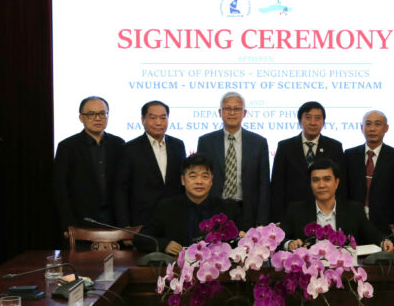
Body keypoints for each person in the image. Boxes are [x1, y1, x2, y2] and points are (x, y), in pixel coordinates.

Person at [133, 154, 240, 255]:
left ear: (211, 181)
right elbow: (140, 238)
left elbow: (240, 239)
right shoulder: (167, 207)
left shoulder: (227, 208)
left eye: (205, 176)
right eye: (193, 176)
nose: (199, 181)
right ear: (183, 180)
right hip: (178, 269)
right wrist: (164, 245)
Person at [282, 158, 394, 252]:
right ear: (311, 184)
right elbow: (280, 239)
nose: (321, 185)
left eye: (327, 179)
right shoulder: (296, 210)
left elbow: (372, 233)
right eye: (316, 180)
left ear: (336, 183)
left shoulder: (354, 210)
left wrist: (384, 241)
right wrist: (290, 243)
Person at [197, 92, 270, 230]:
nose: (232, 113)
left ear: (244, 113)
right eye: (227, 108)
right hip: (214, 209)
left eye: (237, 109)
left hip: (247, 210)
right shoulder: (206, 141)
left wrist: (262, 220)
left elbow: (263, 184)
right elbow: (201, 178)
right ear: (220, 112)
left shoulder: (259, 143)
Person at [53, 96, 125, 231]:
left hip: (114, 221)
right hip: (81, 220)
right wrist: (68, 225)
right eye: (91, 114)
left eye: (102, 113)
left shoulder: (119, 144)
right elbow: (60, 189)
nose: (98, 118)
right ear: (81, 118)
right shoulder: (67, 146)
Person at [114, 101, 186, 227]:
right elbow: (121, 190)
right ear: (143, 120)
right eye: (153, 118)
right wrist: (125, 226)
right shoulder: (130, 149)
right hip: (142, 221)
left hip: (175, 218)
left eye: (163, 118)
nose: (158, 122)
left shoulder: (178, 145)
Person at [271, 101, 344, 223]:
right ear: (300, 121)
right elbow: (277, 186)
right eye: (308, 117)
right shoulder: (285, 146)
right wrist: (278, 218)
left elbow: (340, 185)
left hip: (325, 214)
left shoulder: (334, 146)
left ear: (323, 122)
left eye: (318, 118)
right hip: (293, 213)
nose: (313, 122)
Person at [345, 110, 394, 234]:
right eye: (368, 124)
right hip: (354, 223)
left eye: (377, 124)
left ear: (386, 128)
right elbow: (345, 191)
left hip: (385, 225)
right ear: (361, 128)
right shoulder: (349, 155)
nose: (372, 129)